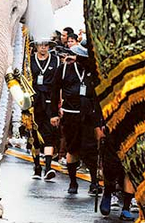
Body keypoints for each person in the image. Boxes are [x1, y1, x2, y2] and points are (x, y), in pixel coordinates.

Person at [50, 44, 103, 195]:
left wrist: (99, 122)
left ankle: (94, 183)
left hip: (89, 116)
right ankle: (73, 182)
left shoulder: (94, 71)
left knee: (91, 150)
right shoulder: (64, 69)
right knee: (72, 148)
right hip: (70, 114)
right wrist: (54, 113)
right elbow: (54, 91)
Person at [30, 40, 60, 181]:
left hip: (49, 99)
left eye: (46, 45)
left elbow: (59, 83)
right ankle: (37, 167)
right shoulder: (30, 60)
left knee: (49, 134)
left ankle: (48, 167)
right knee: (34, 135)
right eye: (41, 45)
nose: (43, 47)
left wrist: (60, 103)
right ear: (36, 46)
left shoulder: (56, 60)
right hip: (34, 100)